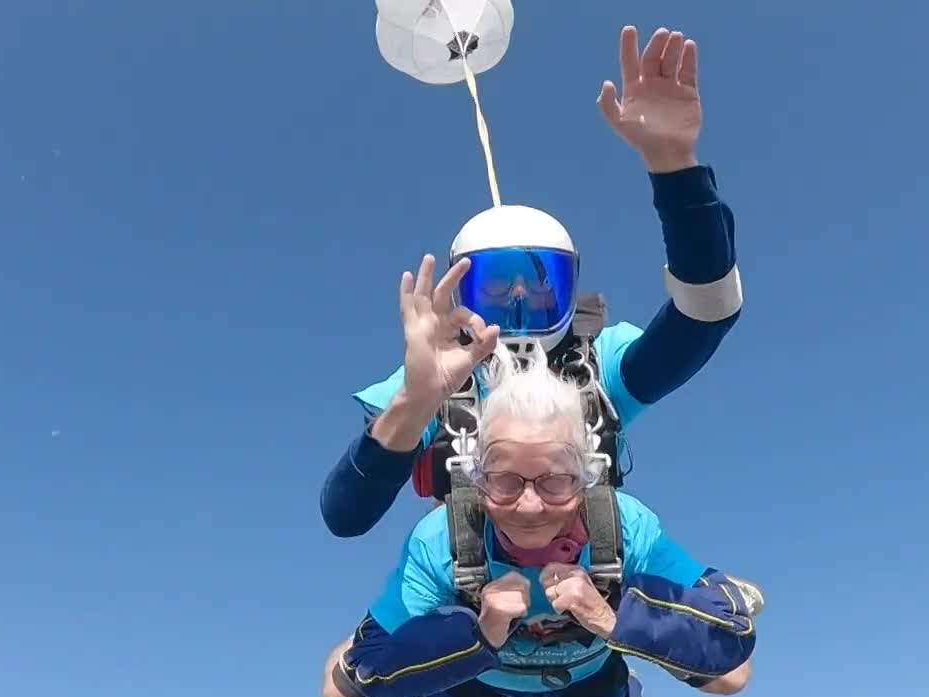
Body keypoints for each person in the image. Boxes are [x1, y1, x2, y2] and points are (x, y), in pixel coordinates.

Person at [319, 24, 745, 539]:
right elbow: (345, 514)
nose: (519, 296)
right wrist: (416, 401)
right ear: (461, 292)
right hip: (468, 601)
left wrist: (674, 165)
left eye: (539, 282)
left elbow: (704, 315)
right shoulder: (437, 374)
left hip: (589, 594)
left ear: (570, 286)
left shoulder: (598, 364)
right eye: (497, 286)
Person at [320, 328, 758, 697]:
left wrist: (613, 616)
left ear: (587, 478)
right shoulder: (443, 540)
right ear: (476, 480)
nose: (529, 507)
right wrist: (474, 632)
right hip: (475, 671)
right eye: (504, 481)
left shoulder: (623, 528)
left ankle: (634, 670)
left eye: (556, 482)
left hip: (588, 670)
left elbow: (733, 672)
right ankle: (437, 670)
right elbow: (340, 688)